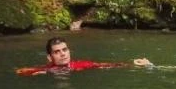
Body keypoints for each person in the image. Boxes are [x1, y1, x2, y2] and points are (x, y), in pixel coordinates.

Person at [15, 37, 154, 76]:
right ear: (50, 57)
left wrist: (134, 64)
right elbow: (19, 71)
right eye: (57, 52)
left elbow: (106, 66)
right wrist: (44, 72)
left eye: (65, 49)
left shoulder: (80, 65)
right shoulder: (45, 69)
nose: (63, 53)